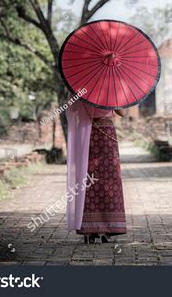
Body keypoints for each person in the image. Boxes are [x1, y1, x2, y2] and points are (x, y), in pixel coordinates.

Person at [66, 98, 127, 244]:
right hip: (106, 131)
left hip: (85, 133)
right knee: (109, 178)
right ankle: (107, 228)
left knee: (86, 177)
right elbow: (122, 113)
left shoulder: (79, 89)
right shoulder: (109, 90)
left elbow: (73, 110)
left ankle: (88, 229)